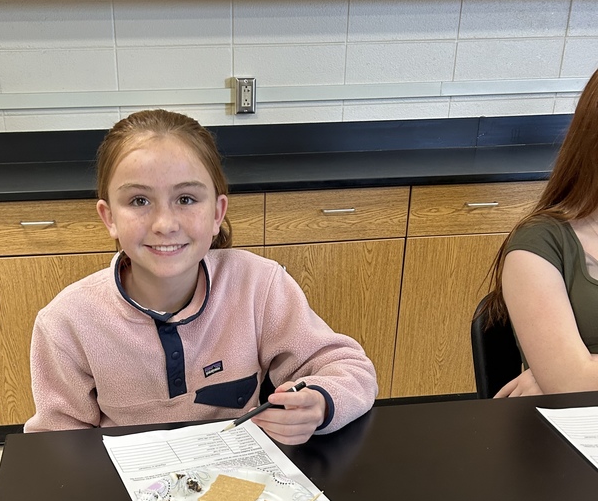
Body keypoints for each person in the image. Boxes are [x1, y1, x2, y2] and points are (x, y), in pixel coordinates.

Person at [24, 109, 377, 443]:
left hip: (241, 481)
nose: (165, 224)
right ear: (109, 217)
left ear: (216, 212)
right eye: (139, 201)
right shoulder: (66, 322)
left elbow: (350, 368)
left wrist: (320, 402)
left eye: (187, 198)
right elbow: (56, 445)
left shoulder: (259, 286)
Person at [484, 66, 598, 398]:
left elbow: (570, 378)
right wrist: (568, 374)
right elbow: (570, 385)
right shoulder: (541, 243)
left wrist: (583, 366)